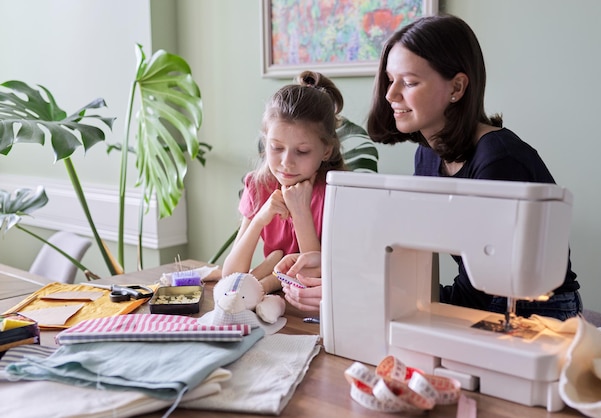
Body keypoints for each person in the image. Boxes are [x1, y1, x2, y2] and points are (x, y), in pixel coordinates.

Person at [365, 14, 581, 320]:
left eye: (409, 82)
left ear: (457, 87)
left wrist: (399, 294)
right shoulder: (426, 156)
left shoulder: (499, 159)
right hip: (481, 298)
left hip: (539, 310)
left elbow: (483, 287)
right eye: (390, 79)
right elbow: (415, 245)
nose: (390, 94)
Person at [221, 71, 347, 293]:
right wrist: (259, 219)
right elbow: (230, 275)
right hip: (273, 302)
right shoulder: (259, 186)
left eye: (302, 151)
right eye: (276, 148)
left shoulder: (335, 194)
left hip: (311, 305)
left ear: (326, 151)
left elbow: (313, 276)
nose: (286, 162)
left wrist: (300, 213)